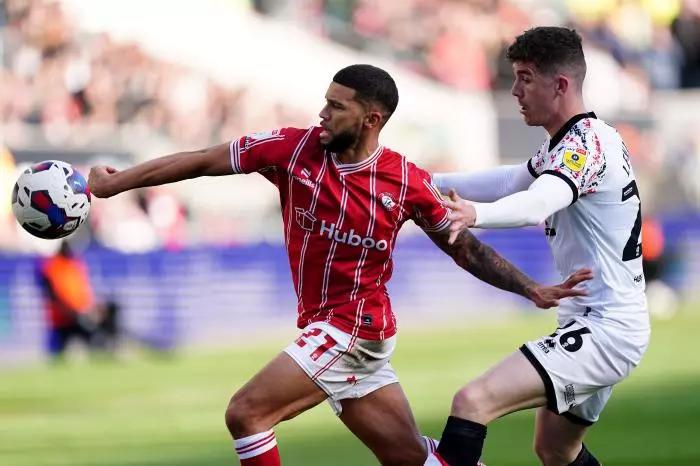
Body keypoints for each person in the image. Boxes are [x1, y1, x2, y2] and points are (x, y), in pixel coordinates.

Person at [88, 64, 590, 466]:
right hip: (332, 329)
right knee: (410, 459)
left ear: (370, 118)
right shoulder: (293, 149)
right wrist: (117, 183)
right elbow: (201, 159)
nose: (322, 114)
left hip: (354, 328)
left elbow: (465, 248)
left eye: (336, 106)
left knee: (247, 414)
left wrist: (531, 289)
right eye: (325, 102)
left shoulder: (404, 182)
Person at [432, 27, 650, 466]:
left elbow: (536, 204)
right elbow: (515, 180)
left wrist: (474, 214)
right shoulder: (576, 139)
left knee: (472, 402)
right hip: (594, 319)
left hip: (606, 328)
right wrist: (428, 183)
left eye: (525, 77)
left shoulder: (584, 147)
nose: (514, 90)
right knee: (555, 449)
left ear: (561, 85)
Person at [37, 241, 96, 360]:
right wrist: (67, 309)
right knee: (57, 351)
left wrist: (86, 309)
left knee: (90, 340)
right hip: (61, 317)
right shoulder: (52, 266)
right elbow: (52, 293)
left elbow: (82, 289)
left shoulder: (75, 265)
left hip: (77, 313)